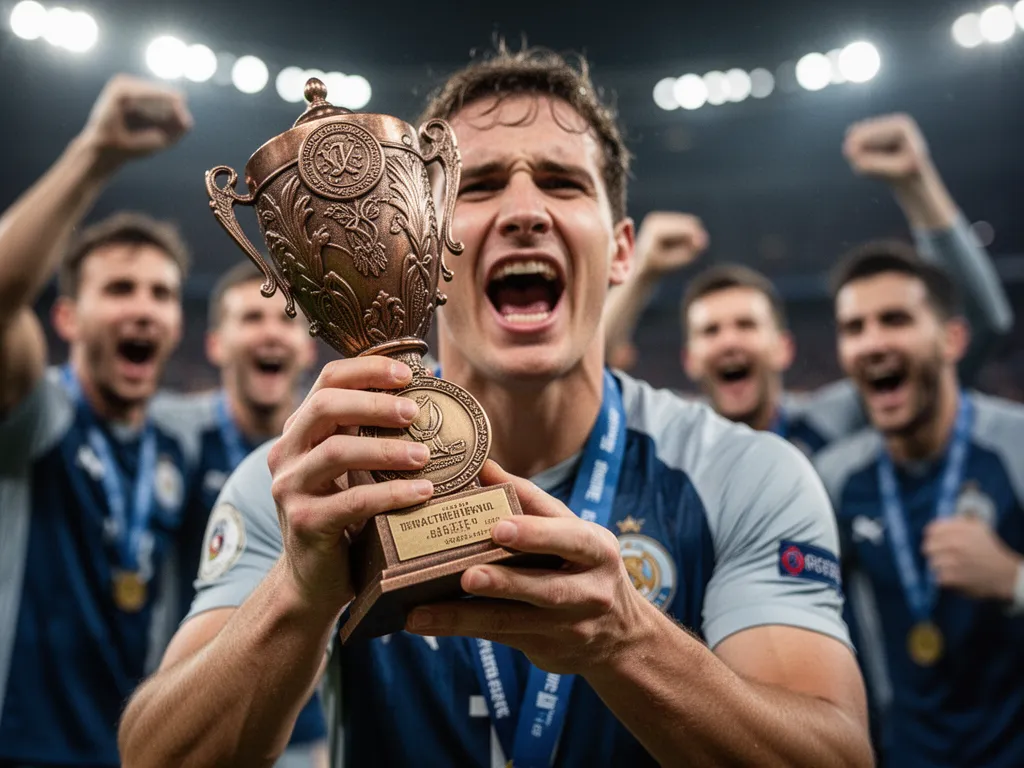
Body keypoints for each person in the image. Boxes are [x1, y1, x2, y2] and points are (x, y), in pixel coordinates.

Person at [119, 47, 873, 767]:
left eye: (562, 182)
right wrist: (298, 594)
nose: (524, 211)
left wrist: (625, 638)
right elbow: (154, 757)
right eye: (477, 186)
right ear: (421, 233)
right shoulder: (306, 485)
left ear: (619, 252)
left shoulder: (744, 474)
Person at [604, 114, 1013, 456]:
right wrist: (641, 273)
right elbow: (582, 376)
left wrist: (916, 184)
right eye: (711, 331)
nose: (730, 341)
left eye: (746, 325)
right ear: (690, 358)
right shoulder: (676, 438)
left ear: (783, 348)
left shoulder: (834, 421)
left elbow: (973, 323)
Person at [0, 75, 193, 766]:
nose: (143, 308)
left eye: (161, 294)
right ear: (67, 317)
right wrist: (96, 154)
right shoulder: (34, 417)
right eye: (118, 289)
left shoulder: (174, 450)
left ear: (176, 322)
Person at [812, 246, 1024, 768]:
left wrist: (1015, 581)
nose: (873, 343)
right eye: (854, 328)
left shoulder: (1016, 448)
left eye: (895, 320)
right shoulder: (836, 477)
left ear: (952, 339)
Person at [150, 262, 327, 768]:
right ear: (216, 345)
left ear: (308, 346)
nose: (270, 332)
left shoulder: (335, 449)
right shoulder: (174, 442)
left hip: (303, 725)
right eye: (251, 317)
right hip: (197, 702)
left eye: (286, 319)